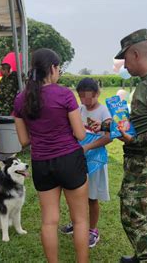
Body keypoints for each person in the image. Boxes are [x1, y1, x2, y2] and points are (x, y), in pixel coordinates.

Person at [93, 29, 147, 262]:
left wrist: (136, 140)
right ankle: (143, 255)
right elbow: (140, 122)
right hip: (142, 161)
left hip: (144, 161)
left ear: (135, 54)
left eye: (125, 58)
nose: (124, 64)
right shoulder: (146, 83)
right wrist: (110, 125)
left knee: (132, 214)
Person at [13, 48, 89, 263]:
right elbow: (80, 134)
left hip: (41, 164)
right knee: (81, 220)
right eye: (59, 68)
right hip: (69, 161)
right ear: (53, 68)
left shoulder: (20, 99)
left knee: (49, 221)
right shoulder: (64, 94)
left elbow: (24, 141)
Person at [59, 78, 112, 248]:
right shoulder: (80, 109)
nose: (85, 101)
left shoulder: (104, 112)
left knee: (92, 197)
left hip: (95, 160)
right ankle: (76, 223)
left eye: (89, 98)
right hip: (79, 159)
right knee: (76, 194)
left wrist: (88, 147)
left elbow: (109, 137)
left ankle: (93, 230)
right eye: (81, 97)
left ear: (97, 94)